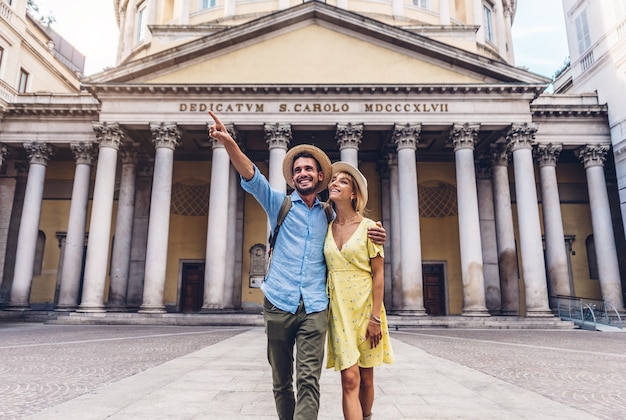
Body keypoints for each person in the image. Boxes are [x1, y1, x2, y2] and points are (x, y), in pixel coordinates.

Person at [207, 111, 386, 420]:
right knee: (280, 382)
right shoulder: (280, 203)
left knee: (308, 381)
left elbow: (353, 227)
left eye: (309, 169)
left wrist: (375, 231)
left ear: (320, 177)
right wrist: (229, 143)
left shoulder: (329, 215)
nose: (303, 173)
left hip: (315, 307)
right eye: (298, 170)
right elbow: (251, 175)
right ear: (292, 178)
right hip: (278, 302)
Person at [324, 162, 394, 420]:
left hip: (366, 309)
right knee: (349, 379)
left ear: (354, 193)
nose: (334, 183)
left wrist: (375, 318)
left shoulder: (370, 228)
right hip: (339, 309)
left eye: (342, 181)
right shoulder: (325, 226)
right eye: (333, 180)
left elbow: (378, 274)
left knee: (366, 378)